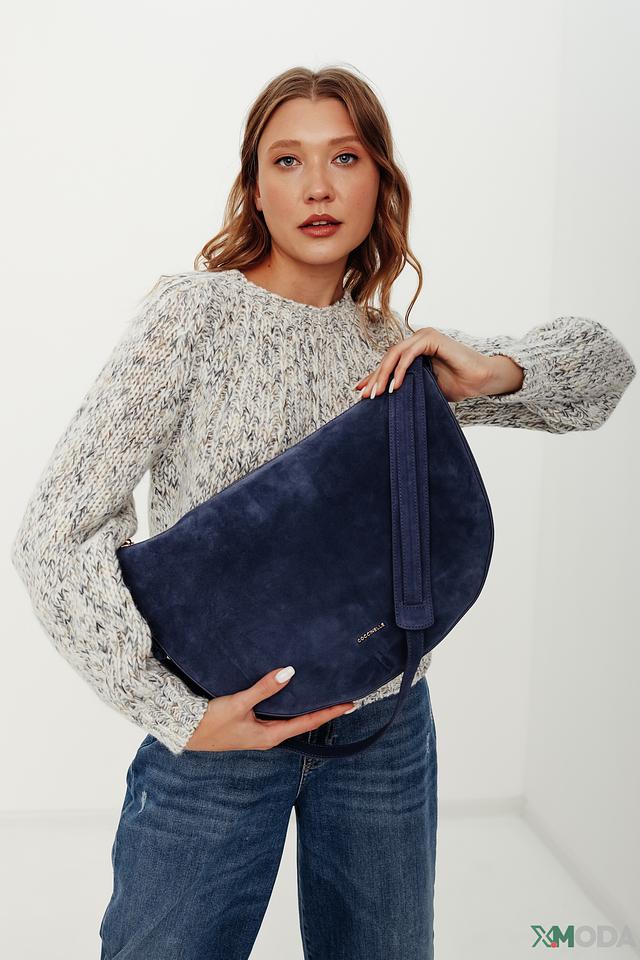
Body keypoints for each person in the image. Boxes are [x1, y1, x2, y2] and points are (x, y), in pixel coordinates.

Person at [10, 66, 636, 960]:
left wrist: (494, 370)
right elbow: (58, 532)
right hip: (222, 728)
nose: (317, 187)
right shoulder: (193, 316)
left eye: (344, 157)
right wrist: (173, 711)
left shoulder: (393, 347)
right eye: (287, 160)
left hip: (384, 727)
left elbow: (604, 367)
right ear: (254, 189)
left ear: (379, 178)